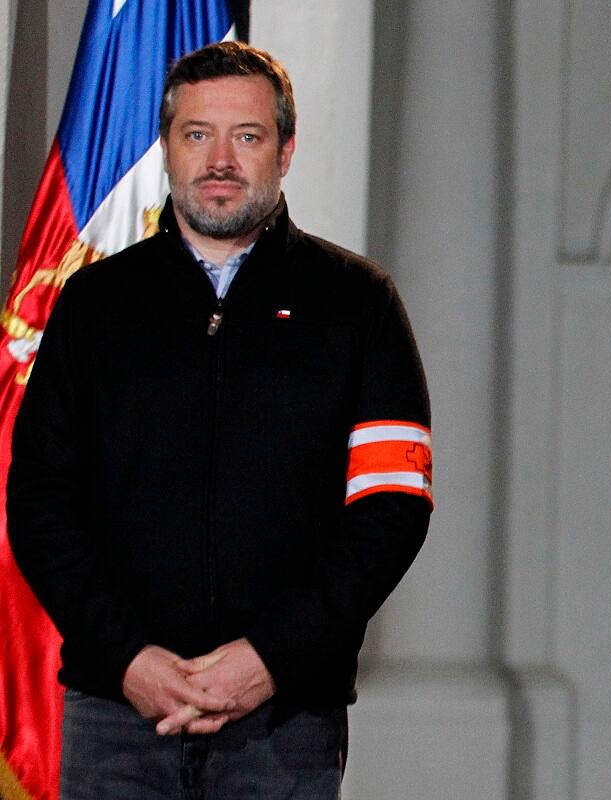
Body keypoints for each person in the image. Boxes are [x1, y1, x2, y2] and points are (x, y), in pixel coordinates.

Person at [8, 41, 432, 798]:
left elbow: (390, 511)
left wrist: (269, 657)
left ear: (286, 149)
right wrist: (129, 658)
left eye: (248, 136)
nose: (220, 159)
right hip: (114, 714)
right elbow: (39, 500)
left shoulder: (358, 303)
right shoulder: (93, 306)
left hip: (284, 722)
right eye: (197, 134)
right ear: (166, 147)